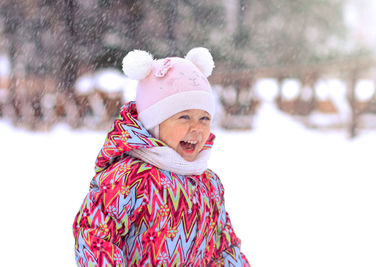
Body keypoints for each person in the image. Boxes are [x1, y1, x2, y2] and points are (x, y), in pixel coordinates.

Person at [73, 47, 250, 266]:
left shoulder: (208, 184)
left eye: (204, 118)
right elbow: (96, 236)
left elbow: (223, 247)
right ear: (154, 123)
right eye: (184, 116)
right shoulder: (129, 178)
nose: (196, 128)